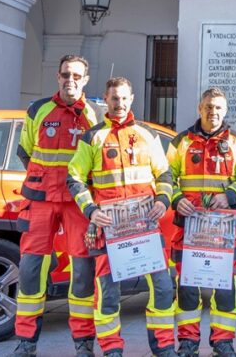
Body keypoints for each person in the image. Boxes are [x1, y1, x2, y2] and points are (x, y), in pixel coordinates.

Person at [65, 77, 177, 357]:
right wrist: (91, 210)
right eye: (114, 98)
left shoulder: (147, 134)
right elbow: (74, 178)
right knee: (107, 293)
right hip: (111, 228)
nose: (120, 104)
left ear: (132, 98)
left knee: (163, 288)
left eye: (124, 98)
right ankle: (111, 349)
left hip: (145, 225)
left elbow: (164, 173)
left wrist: (163, 199)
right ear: (106, 98)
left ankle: (163, 346)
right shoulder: (93, 137)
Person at [12, 55, 101, 357]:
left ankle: (83, 343)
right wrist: (43, 178)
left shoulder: (94, 114)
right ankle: (26, 343)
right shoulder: (38, 110)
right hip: (40, 201)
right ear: (57, 76)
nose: (70, 80)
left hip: (78, 203)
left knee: (82, 272)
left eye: (77, 76)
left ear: (85, 79)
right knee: (30, 270)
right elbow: (25, 152)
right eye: (66, 75)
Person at [166, 87, 236, 357]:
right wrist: (176, 198)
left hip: (224, 228)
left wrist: (229, 195)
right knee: (187, 290)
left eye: (218, 107)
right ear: (199, 108)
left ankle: (223, 342)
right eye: (208, 106)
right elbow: (165, 177)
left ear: (225, 110)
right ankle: (188, 343)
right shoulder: (181, 142)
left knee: (225, 290)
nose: (213, 112)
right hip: (189, 226)